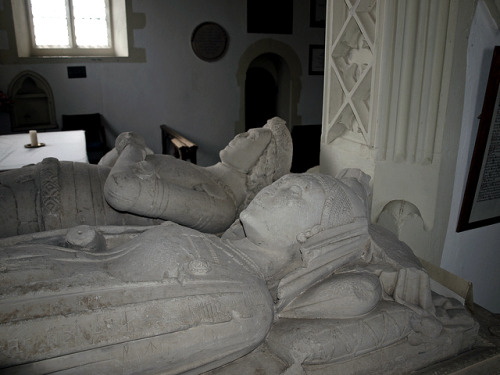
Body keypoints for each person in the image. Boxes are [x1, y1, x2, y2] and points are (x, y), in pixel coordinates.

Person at [1, 172, 472, 375]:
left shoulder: (242, 307)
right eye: (286, 182)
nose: (275, 188)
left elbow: (67, 340)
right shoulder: (220, 249)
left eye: (295, 195)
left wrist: (396, 265)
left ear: (310, 241)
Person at [0, 117, 292, 238]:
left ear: (259, 164)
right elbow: (105, 169)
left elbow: (120, 192)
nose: (240, 136)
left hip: (53, 209)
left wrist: (135, 146)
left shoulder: (221, 207)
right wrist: (126, 150)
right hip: (56, 179)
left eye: (251, 137)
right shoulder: (206, 172)